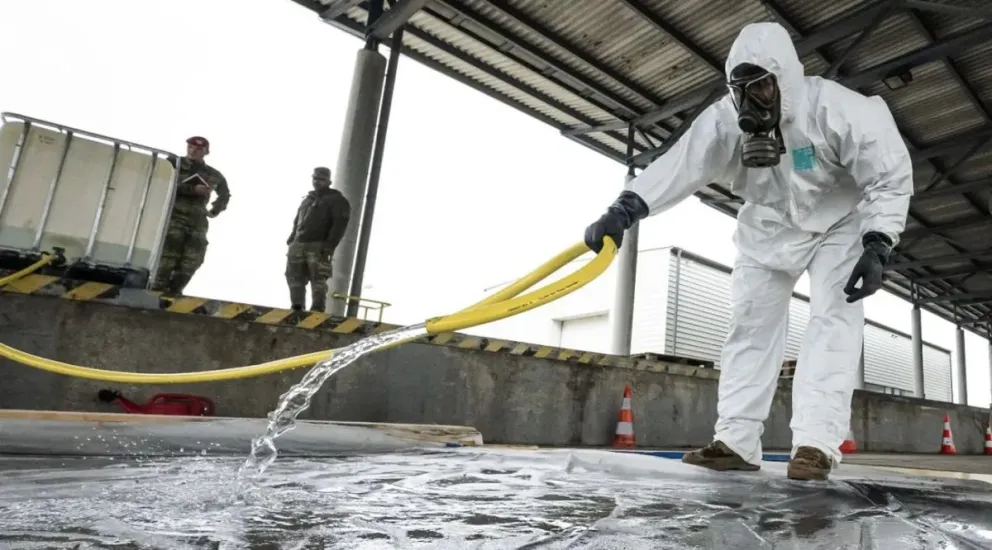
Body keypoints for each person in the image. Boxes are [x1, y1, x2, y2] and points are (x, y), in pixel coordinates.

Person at [583, 22, 912, 481]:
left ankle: (815, 445)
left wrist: (878, 243)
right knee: (750, 325)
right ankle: (736, 441)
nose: (752, 99)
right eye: (742, 90)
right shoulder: (724, 121)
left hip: (841, 224)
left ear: (785, 79)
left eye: (761, 86)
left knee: (833, 321)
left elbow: (888, 175)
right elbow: (680, 164)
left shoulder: (837, 109)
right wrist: (624, 209)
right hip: (768, 224)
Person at [153, 136, 231, 295]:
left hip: (197, 221)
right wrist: (191, 189)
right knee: (168, 255)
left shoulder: (213, 174)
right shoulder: (173, 164)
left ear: (206, 152)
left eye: (199, 149)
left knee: (194, 257)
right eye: (190, 147)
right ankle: (157, 288)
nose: (193, 151)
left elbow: (224, 194)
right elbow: (159, 182)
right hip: (173, 217)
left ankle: (175, 290)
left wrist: (215, 210)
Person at [285, 166, 351, 312]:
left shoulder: (337, 200)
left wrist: (329, 245)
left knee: (318, 278)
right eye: (315, 178)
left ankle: (317, 309)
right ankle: (297, 306)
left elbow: (340, 225)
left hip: (318, 245)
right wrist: (292, 239)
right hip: (299, 243)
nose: (317, 181)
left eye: (321, 179)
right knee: (294, 276)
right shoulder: (307, 200)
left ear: (329, 181)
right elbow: (297, 220)